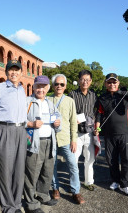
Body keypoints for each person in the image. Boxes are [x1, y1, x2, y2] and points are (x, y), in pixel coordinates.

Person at [0, 60, 27, 213]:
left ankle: (16, 203)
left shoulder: (22, 90)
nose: (14, 73)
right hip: (5, 130)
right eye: (11, 70)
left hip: (20, 131)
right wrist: (0, 129)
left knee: (18, 169)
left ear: (21, 72)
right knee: (6, 169)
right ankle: (8, 207)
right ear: (6, 72)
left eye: (17, 70)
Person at [95, 73, 128, 196]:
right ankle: (115, 181)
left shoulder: (126, 96)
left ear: (118, 83)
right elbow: (99, 115)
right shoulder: (102, 98)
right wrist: (97, 128)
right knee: (111, 159)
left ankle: (125, 184)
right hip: (109, 134)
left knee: (127, 159)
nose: (112, 84)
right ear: (106, 84)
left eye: (114, 82)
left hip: (124, 133)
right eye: (109, 82)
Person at [24, 75, 61, 213]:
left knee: (47, 171)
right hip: (34, 142)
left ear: (48, 88)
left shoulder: (50, 103)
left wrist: (58, 123)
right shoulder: (27, 101)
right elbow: (18, 120)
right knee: (32, 172)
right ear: (33, 87)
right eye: (38, 86)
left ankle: (43, 195)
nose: (41, 89)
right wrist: (31, 124)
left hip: (49, 142)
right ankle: (31, 203)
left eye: (43, 86)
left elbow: (59, 121)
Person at [48, 74, 85, 204]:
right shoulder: (47, 100)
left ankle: (76, 192)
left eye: (62, 84)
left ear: (65, 86)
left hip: (65, 139)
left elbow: (73, 122)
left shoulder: (70, 101)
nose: (59, 86)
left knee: (73, 166)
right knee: (52, 165)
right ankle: (55, 188)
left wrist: (74, 139)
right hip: (50, 138)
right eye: (57, 84)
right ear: (53, 85)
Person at [68, 70, 98, 192]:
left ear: (90, 81)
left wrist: (97, 126)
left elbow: (98, 112)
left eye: (87, 80)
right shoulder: (72, 94)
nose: (85, 82)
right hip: (76, 132)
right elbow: (68, 111)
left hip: (90, 133)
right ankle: (74, 184)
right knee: (74, 159)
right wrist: (73, 119)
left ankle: (89, 182)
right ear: (79, 80)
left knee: (90, 159)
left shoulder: (94, 95)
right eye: (82, 79)